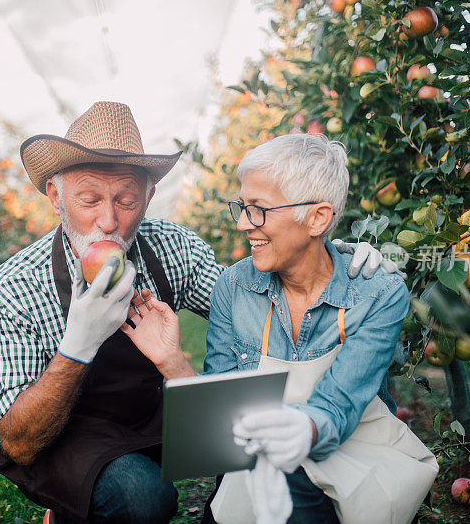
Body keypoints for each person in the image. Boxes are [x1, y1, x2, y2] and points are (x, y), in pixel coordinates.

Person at [0, 101, 403, 524]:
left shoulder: (170, 248)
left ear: (148, 197)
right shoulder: (16, 286)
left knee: (231, 439)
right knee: (141, 497)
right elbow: (19, 443)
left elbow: (250, 297)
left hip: (150, 413)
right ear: (56, 196)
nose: (108, 221)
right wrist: (78, 345)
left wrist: (331, 253)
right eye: (89, 199)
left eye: (127, 200)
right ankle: (76, 504)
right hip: (67, 432)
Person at [122, 133, 412, 523]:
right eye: (241, 207)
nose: (243, 223)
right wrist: (172, 360)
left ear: (318, 218)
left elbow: (338, 406)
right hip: (264, 460)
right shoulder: (235, 288)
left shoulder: (379, 293)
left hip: (353, 455)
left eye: (257, 209)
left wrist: (302, 428)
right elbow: (224, 426)